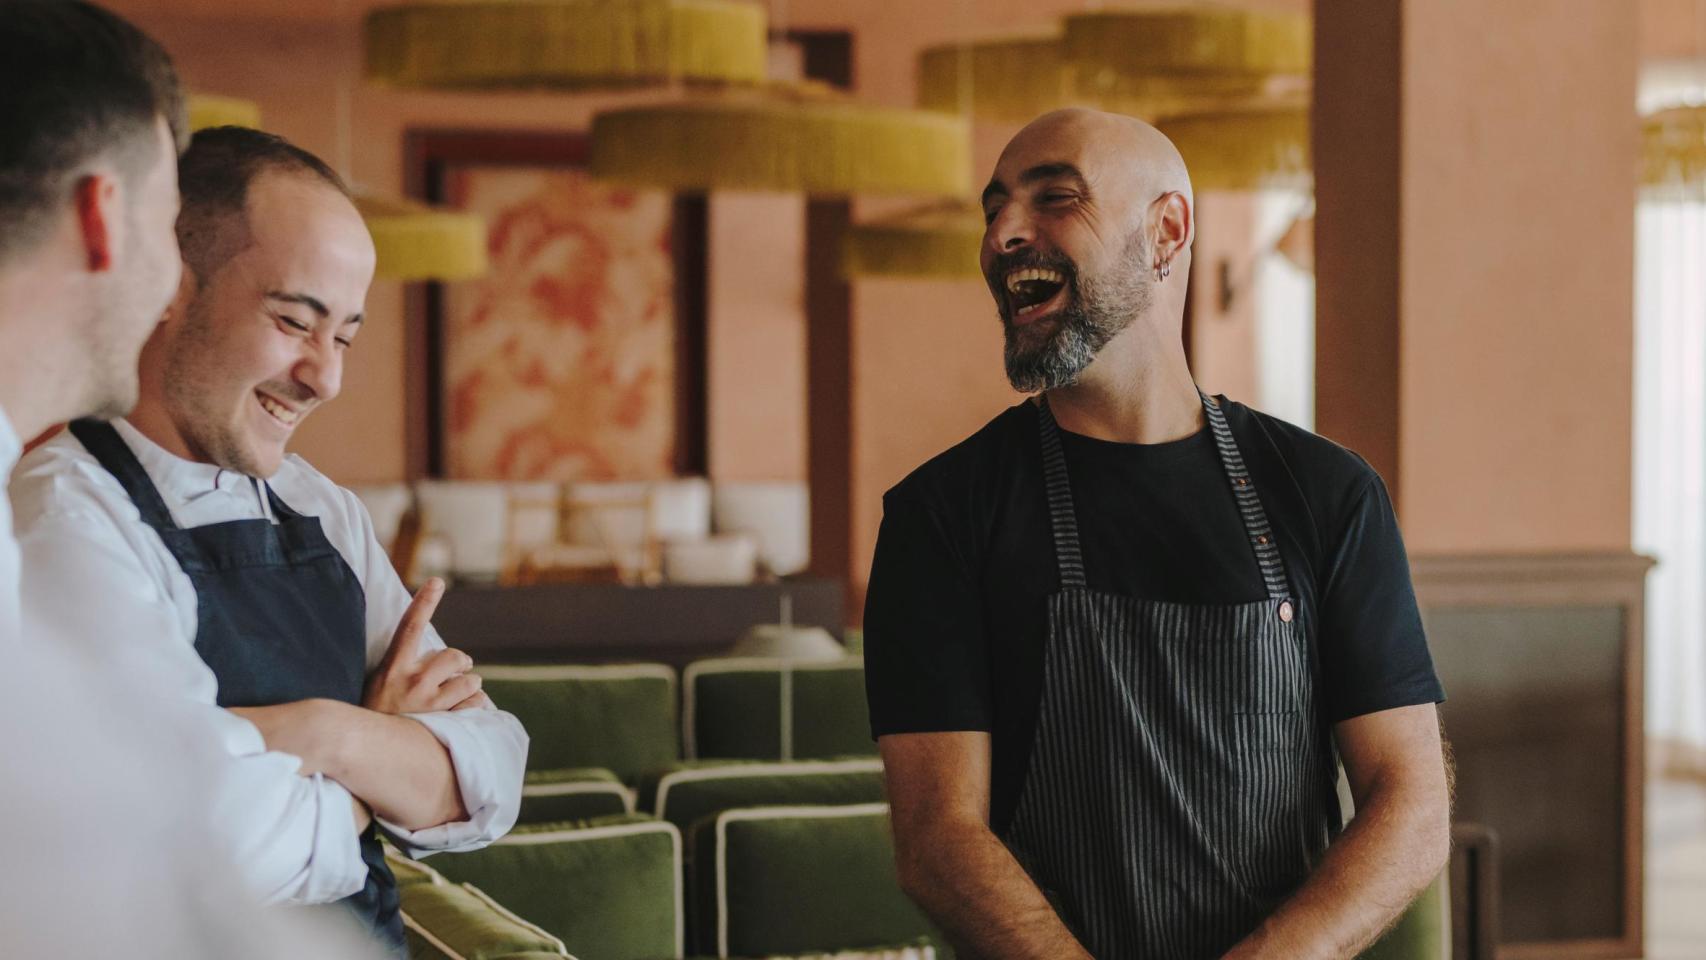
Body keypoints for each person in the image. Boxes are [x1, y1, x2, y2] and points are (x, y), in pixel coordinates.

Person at [863, 108, 1452, 960]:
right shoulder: (941, 515)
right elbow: (937, 839)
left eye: (1053, 197)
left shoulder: (1327, 494)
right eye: (992, 210)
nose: (1002, 234)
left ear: (1166, 230)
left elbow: (1412, 802)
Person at [11, 125, 527, 956]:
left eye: (346, 337)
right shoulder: (66, 517)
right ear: (171, 287)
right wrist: (376, 761)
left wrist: (321, 734)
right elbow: (185, 846)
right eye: (295, 321)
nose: (326, 377)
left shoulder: (320, 506)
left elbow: (493, 773)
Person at [0, 4, 374, 956]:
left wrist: (305, 749)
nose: (176, 278)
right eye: (170, 227)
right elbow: (159, 847)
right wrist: (370, 779)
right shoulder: (55, 507)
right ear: (103, 218)